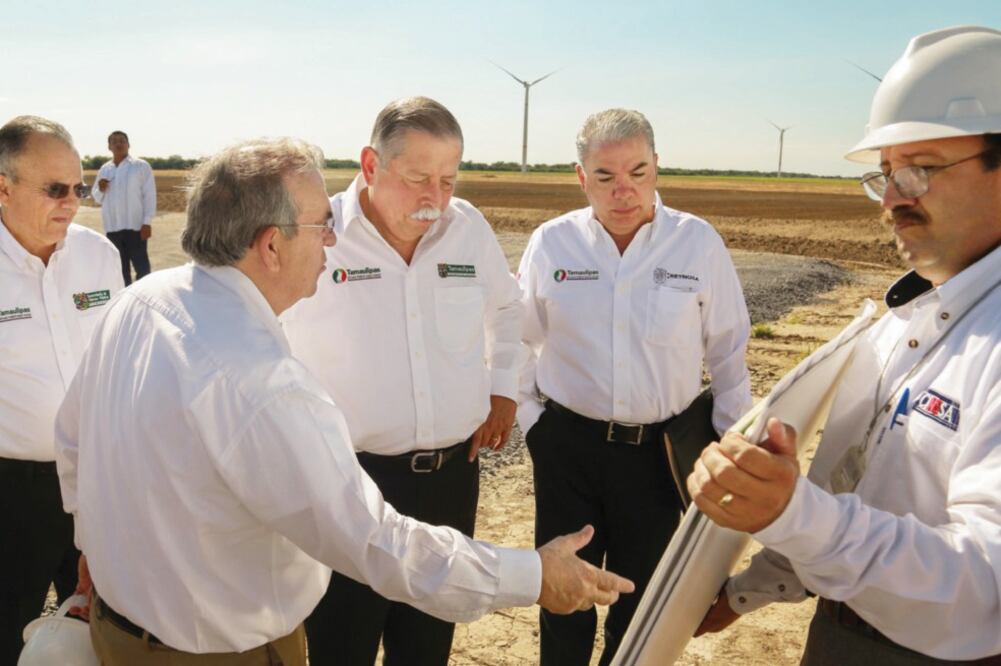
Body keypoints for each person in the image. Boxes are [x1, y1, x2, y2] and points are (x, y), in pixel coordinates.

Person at [54, 136, 634, 666]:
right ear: (273, 246)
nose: (333, 242)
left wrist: (92, 543)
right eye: (321, 226)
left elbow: (73, 435)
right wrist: (533, 575)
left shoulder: (141, 302)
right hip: (217, 652)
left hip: (118, 629)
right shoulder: (261, 383)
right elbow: (377, 543)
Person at [691, 25, 1001, 664]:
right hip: (840, 633)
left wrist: (791, 514)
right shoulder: (902, 320)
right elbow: (848, 490)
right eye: (885, 175)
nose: (890, 201)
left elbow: (982, 587)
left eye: (918, 171)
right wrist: (748, 590)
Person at [281, 96, 523, 666]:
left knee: (427, 644)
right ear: (370, 165)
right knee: (343, 642)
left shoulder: (467, 229)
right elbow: (266, 334)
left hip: (449, 482)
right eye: (417, 178)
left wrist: (504, 387)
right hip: (349, 484)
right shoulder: (319, 232)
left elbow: (508, 310)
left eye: (447, 180)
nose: (434, 199)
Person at [517, 108, 752, 665]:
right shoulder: (552, 244)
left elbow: (728, 351)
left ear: (656, 167)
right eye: (605, 176)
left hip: (657, 456)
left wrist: (728, 442)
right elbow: (515, 341)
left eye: (638, 172)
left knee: (641, 600)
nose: (624, 190)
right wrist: (534, 424)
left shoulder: (696, 243)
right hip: (567, 449)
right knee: (563, 599)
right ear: (581, 176)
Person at [0, 115, 124, 663]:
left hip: (98, 477)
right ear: (3, 186)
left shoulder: (99, 255)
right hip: (13, 490)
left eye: (78, 187)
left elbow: (120, 361)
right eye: (54, 189)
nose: (72, 202)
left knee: (103, 627)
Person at [92, 130, 156, 285]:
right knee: (120, 269)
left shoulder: (140, 166)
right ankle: (124, 302)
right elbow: (97, 197)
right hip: (113, 227)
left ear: (129, 145)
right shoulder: (105, 169)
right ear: (109, 147)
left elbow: (149, 195)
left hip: (136, 226)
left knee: (142, 268)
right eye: (114, 141)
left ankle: (145, 299)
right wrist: (100, 189)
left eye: (122, 141)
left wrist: (147, 222)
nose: (118, 144)